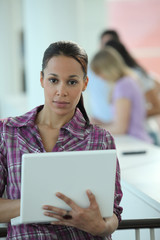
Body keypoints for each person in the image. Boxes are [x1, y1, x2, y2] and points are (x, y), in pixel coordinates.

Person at [0, 41, 123, 240]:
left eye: (72, 82)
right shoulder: (7, 132)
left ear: (85, 83)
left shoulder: (101, 139)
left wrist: (99, 226)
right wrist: (40, 203)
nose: (61, 91)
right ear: (42, 79)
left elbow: (114, 214)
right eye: (53, 80)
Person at [90, 46, 152, 143]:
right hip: (135, 142)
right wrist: (100, 124)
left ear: (108, 68)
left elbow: (120, 129)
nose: (100, 77)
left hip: (135, 143)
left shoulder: (123, 85)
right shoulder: (128, 81)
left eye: (100, 72)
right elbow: (122, 123)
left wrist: (93, 130)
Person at [105, 40, 160, 118]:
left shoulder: (136, 75)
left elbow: (157, 108)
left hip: (143, 128)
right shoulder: (115, 79)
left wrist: (129, 117)